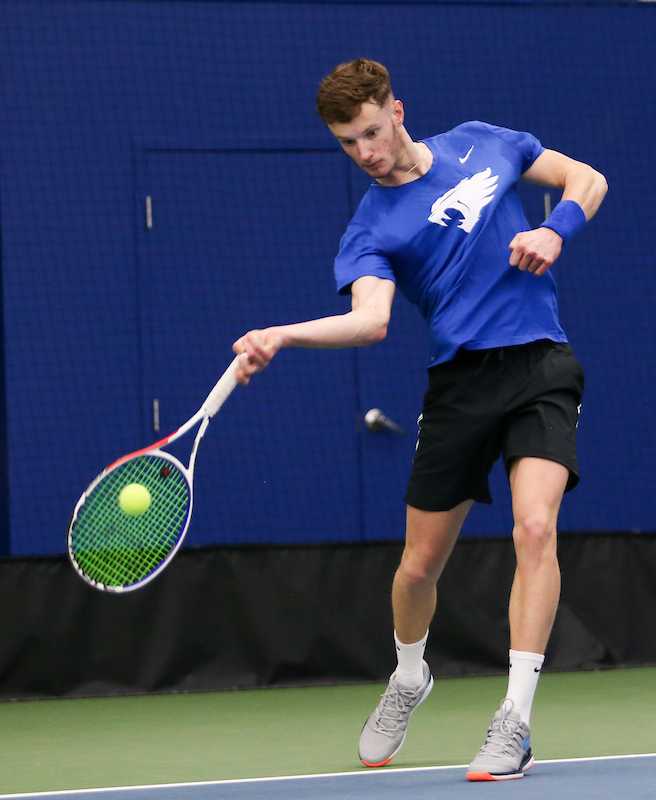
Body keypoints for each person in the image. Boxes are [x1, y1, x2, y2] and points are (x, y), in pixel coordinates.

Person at [232, 58, 606, 781]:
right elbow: (369, 321)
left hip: (541, 365)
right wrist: (282, 334)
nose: (365, 152)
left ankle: (515, 720)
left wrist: (556, 230)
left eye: (371, 131)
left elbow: (586, 179)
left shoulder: (483, 142)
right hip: (459, 386)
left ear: (396, 110)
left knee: (535, 527)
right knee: (417, 569)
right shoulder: (370, 226)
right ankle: (409, 675)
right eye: (347, 143)